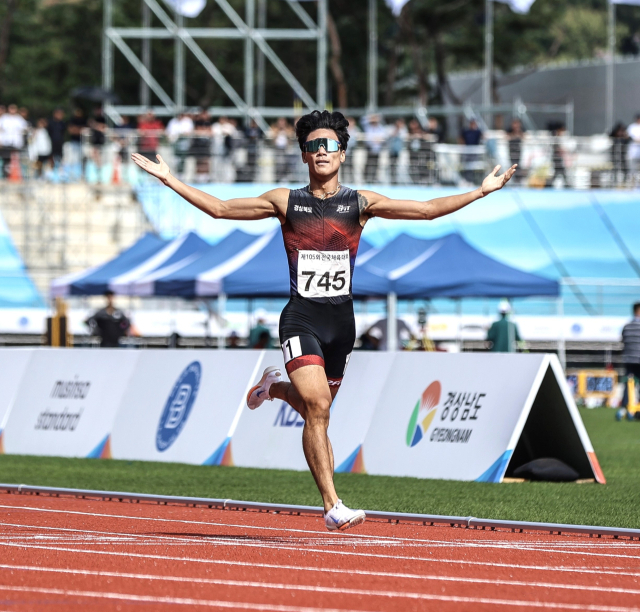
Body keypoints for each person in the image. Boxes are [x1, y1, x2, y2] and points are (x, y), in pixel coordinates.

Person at [131, 109, 516, 531]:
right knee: (317, 406)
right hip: (301, 318)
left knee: (320, 409)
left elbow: (425, 210)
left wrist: (480, 192)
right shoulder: (285, 201)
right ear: (303, 156)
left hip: (342, 325)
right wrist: (169, 179)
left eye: (329, 144)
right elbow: (221, 209)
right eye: (313, 146)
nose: (321, 151)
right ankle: (332, 505)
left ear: (343, 153)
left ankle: (273, 388)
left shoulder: (360, 203)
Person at [621, 302, 640, 412]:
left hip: (628, 359)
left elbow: (623, 340)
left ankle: (625, 406)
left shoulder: (627, 326)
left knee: (628, 383)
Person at [0, 104, 28, 178]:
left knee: (15, 159)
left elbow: (25, 129)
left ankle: (15, 175)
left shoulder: (19, 119)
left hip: (16, 143)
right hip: (6, 142)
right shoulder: (4, 118)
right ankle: (5, 175)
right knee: (5, 159)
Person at [627, 114, 640, 188]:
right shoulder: (632, 127)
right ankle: (632, 186)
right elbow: (630, 137)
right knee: (632, 171)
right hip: (633, 153)